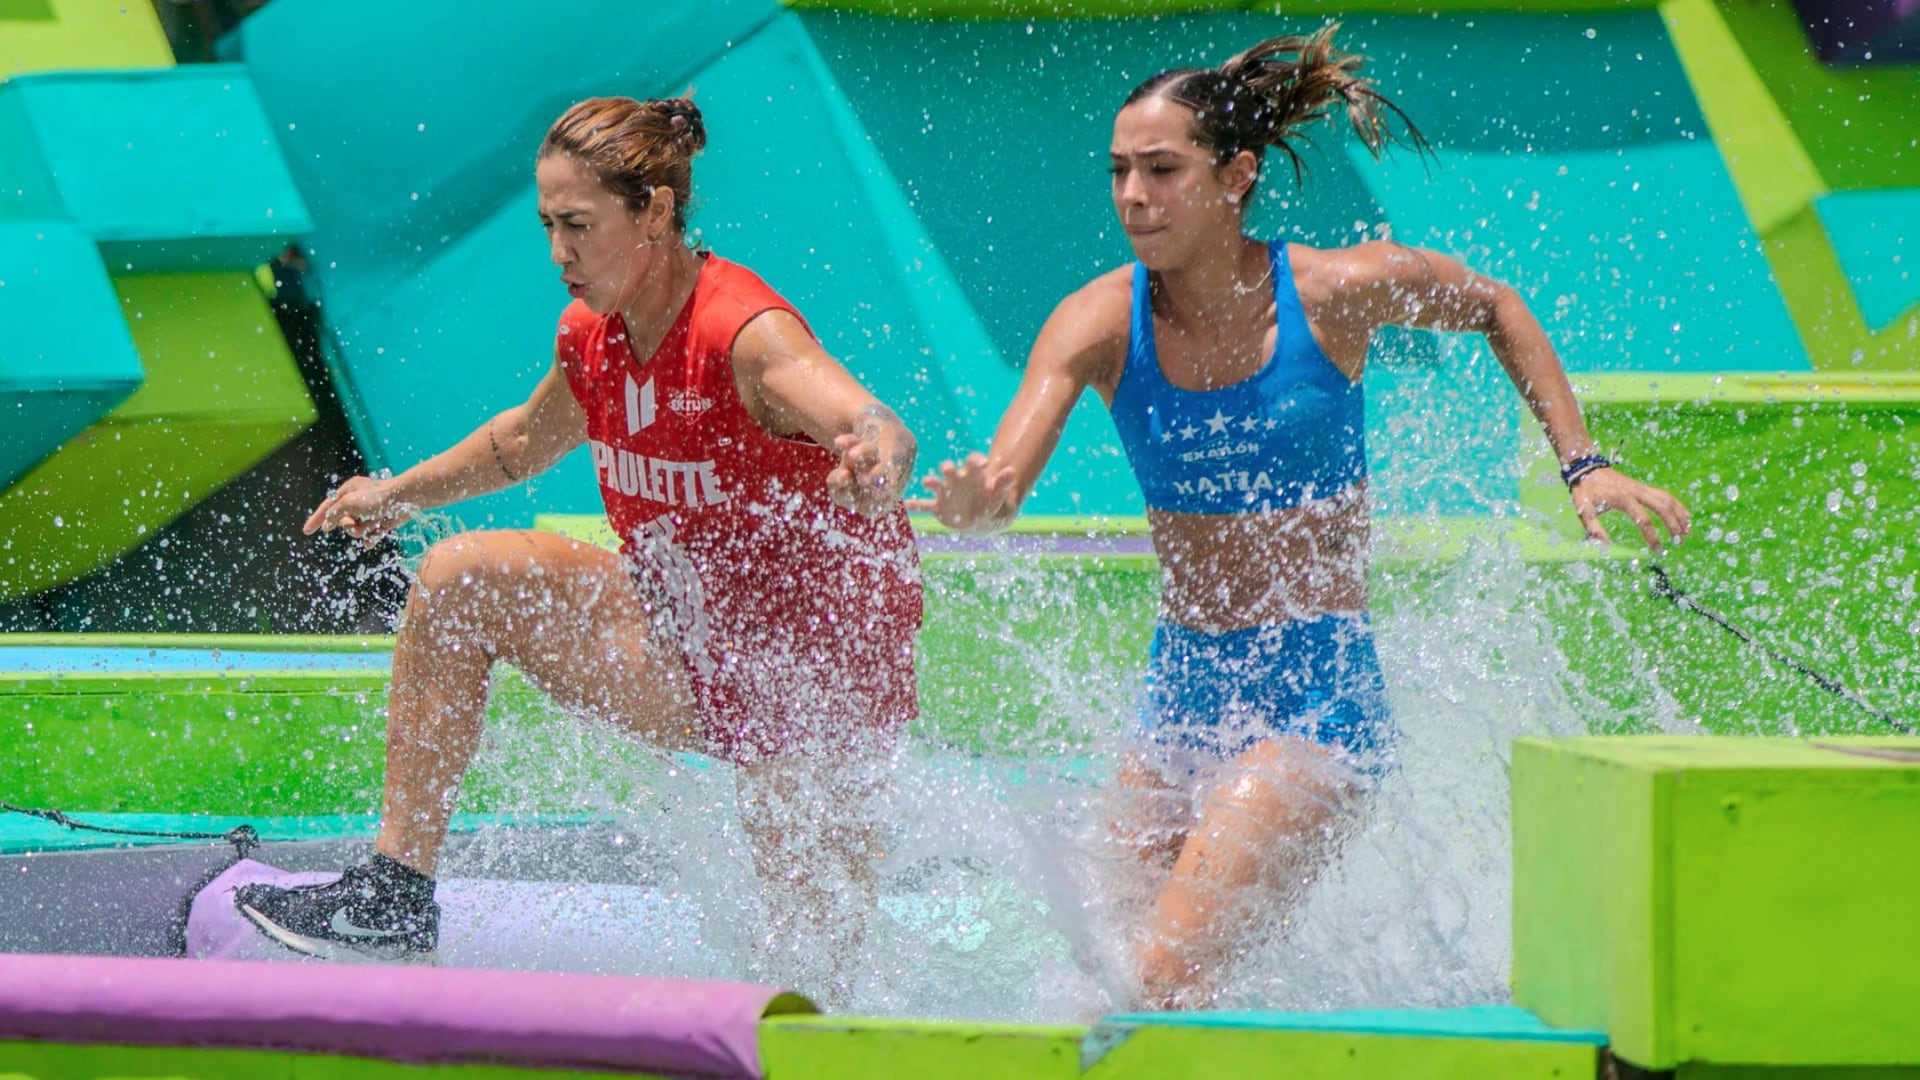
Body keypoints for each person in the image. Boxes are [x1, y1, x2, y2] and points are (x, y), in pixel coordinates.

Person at [910, 27, 1690, 1009]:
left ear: (1235, 176)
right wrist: (980, 504)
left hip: (1317, 698)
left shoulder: (1333, 295)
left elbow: (1493, 305)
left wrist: (1583, 464)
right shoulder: (1099, 321)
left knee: (1156, 977)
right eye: (1119, 173)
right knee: (1093, 973)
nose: (1133, 197)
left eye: (1161, 170)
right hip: (1179, 691)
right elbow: (1004, 481)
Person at [236, 96, 923, 977]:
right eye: (548, 225)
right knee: (458, 580)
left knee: (811, 968)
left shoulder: (744, 333)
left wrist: (877, 454)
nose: (558, 253)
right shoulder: (590, 334)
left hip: (812, 687)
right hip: (682, 641)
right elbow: (524, 441)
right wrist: (397, 493)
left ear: (657, 213)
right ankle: (393, 896)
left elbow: (867, 418)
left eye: (579, 225)